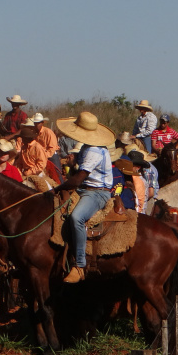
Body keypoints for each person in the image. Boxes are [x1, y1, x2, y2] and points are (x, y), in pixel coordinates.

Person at [52, 112, 115, 283]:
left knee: (76, 217)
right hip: (85, 190)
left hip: (97, 193)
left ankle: (79, 265)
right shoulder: (87, 147)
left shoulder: (94, 150)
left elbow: (79, 178)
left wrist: (58, 187)